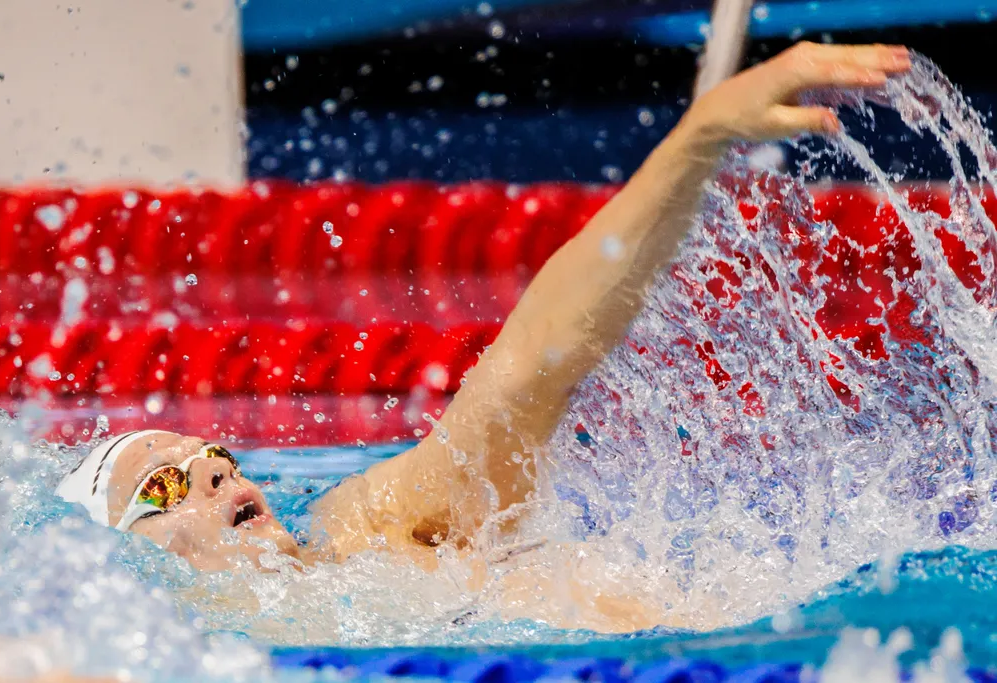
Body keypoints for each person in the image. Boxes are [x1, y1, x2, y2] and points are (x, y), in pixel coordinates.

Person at [55, 42, 912, 627]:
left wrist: (701, 133)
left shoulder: (368, 531)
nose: (213, 466)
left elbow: (529, 369)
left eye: (215, 456)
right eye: (166, 484)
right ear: (119, 564)